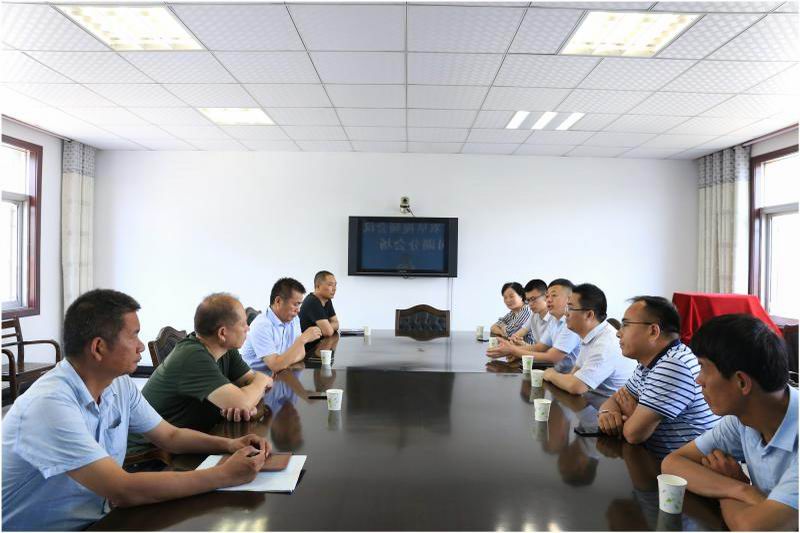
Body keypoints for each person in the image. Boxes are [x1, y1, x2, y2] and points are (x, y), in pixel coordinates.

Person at [2, 289, 270, 531]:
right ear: (98, 348)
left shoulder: (119, 385)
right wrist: (224, 474)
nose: (141, 345)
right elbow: (122, 489)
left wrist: (229, 444)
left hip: (101, 517)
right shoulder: (49, 405)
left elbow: (171, 436)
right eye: (134, 335)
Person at [662, 314, 797, 531]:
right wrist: (741, 490)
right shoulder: (743, 419)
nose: (698, 380)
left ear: (741, 382)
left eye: (703, 367)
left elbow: (751, 528)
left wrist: (728, 488)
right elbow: (673, 463)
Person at [127, 294, 273, 455]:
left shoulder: (225, 349)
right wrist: (261, 380)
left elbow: (252, 388)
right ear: (222, 333)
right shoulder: (192, 356)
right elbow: (249, 395)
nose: (248, 328)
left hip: (195, 439)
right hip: (152, 454)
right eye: (243, 324)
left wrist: (247, 402)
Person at [597, 296, 718, 456]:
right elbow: (615, 399)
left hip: (684, 468)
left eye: (625, 325)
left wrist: (633, 416)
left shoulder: (673, 365)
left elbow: (633, 435)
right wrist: (607, 414)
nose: (618, 333)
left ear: (653, 331)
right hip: (658, 460)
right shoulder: (650, 362)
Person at [543, 283, 635, 397]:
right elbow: (574, 375)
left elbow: (576, 386)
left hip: (611, 404)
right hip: (593, 398)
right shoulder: (589, 336)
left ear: (589, 315)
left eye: (570, 308)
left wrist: (551, 374)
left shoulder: (605, 343)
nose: (566, 313)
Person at [488, 278, 580, 373]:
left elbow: (552, 357)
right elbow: (539, 347)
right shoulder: (554, 320)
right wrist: (512, 350)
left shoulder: (572, 323)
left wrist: (513, 351)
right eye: (547, 296)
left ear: (570, 299)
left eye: (554, 295)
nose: (548, 300)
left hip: (568, 375)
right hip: (553, 370)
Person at [240, 278, 322, 374]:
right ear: (278, 301)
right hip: (253, 379)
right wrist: (302, 339)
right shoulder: (261, 325)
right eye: (296, 304)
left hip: (280, 375)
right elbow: (275, 366)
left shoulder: (294, 319)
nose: (298, 310)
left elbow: (301, 353)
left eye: (299, 305)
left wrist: (282, 363)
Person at [509, 278, 550, 345]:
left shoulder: (555, 318)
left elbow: (550, 351)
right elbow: (521, 332)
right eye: (528, 300)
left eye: (533, 299)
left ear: (546, 296)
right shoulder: (534, 315)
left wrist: (524, 345)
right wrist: (514, 339)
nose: (530, 304)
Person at [299, 270, 339, 337]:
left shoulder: (327, 300)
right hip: (309, 343)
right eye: (330, 285)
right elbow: (328, 332)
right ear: (318, 286)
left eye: (335, 285)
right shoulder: (312, 302)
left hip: (321, 342)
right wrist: (326, 328)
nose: (334, 289)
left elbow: (336, 323)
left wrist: (327, 327)